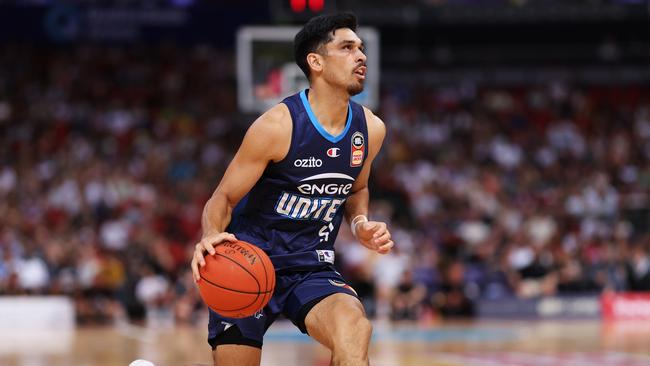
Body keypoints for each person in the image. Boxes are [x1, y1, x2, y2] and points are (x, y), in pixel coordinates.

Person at [190, 12, 393, 366]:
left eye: (361, 48)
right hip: (250, 263)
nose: (361, 56)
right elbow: (222, 197)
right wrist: (210, 233)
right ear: (315, 62)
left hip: (312, 268)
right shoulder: (277, 126)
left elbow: (356, 188)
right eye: (347, 48)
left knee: (355, 329)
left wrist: (360, 224)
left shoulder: (370, 129)